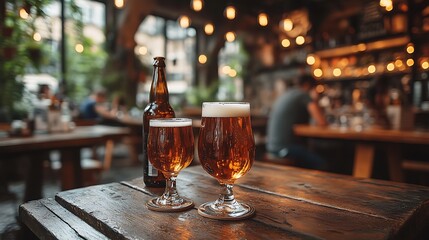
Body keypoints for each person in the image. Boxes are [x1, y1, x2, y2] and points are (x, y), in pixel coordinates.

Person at [266, 75, 327, 170]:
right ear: (307, 85)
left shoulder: (287, 94)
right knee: (323, 164)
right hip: (285, 148)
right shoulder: (303, 94)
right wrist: (315, 99)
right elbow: (321, 121)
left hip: (272, 146)